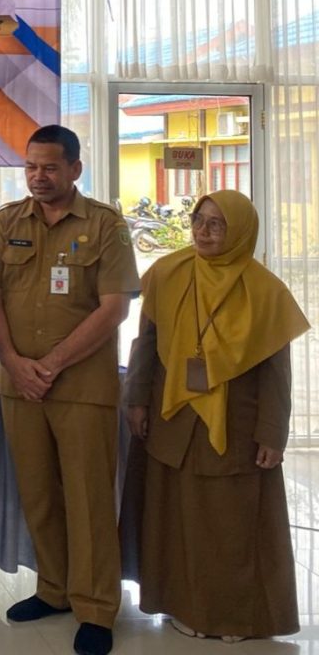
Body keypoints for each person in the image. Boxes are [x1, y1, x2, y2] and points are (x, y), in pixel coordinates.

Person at [0, 125, 139, 655]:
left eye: (49, 167)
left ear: (74, 169)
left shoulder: (105, 225)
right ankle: (54, 589)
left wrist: (52, 363)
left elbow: (115, 307)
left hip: (82, 386)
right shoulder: (7, 221)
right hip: (20, 385)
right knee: (38, 493)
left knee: (89, 499)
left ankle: (96, 608)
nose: (38, 177)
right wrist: (15, 363)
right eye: (30, 167)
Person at [124, 190, 308, 642]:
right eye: (199, 221)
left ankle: (234, 618)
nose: (203, 232)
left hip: (236, 425)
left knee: (231, 527)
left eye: (217, 224)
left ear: (241, 231)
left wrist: (272, 433)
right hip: (172, 418)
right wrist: (137, 399)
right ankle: (180, 605)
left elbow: (276, 373)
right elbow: (146, 341)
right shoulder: (168, 273)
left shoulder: (265, 291)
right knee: (176, 521)